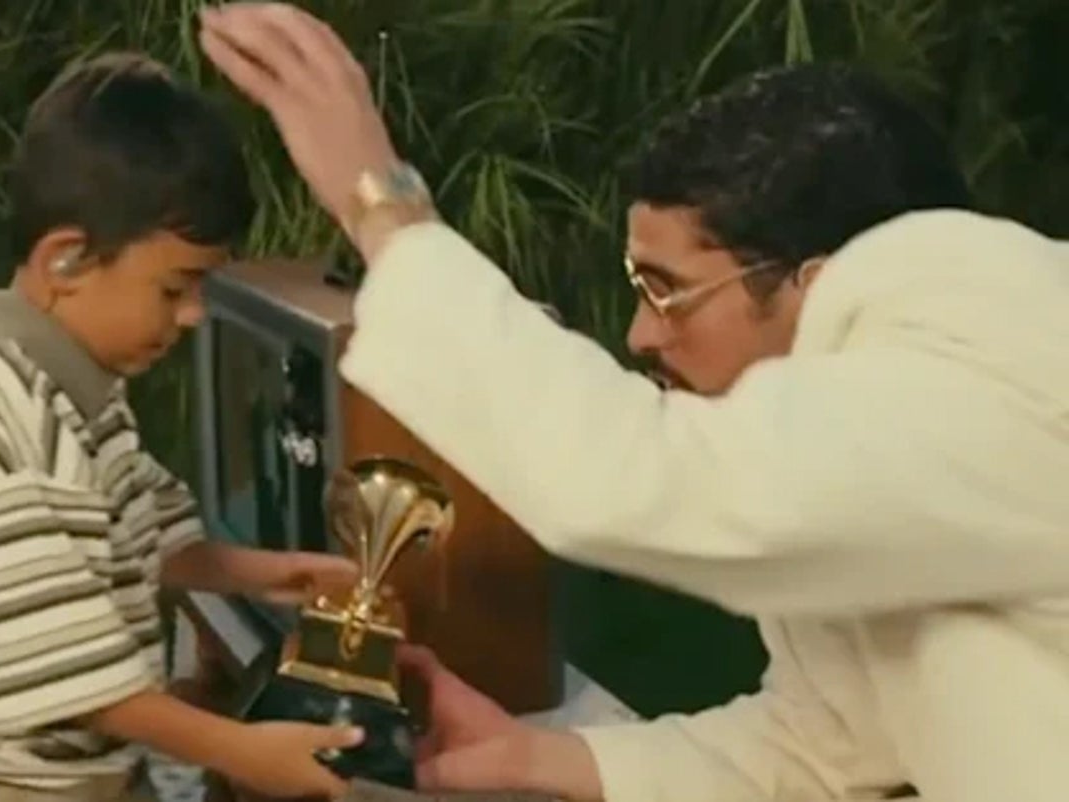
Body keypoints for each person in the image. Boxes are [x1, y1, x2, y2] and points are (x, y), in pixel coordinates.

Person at [197, 5, 1069, 802]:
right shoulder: (896, 420)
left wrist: (383, 208)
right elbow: (823, 744)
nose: (641, 334)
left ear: (812, 282)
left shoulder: (1003, 350)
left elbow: (639, 481)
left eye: (668, 290)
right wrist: (534, 757)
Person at [0, 52, 366, 802]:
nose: (194, 315)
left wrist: (266, 572)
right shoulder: (15, 431)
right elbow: (79, 685)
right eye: (175, 288)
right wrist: (244, 752)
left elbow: (138, 535)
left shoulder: (77, 386)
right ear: (66, 260)